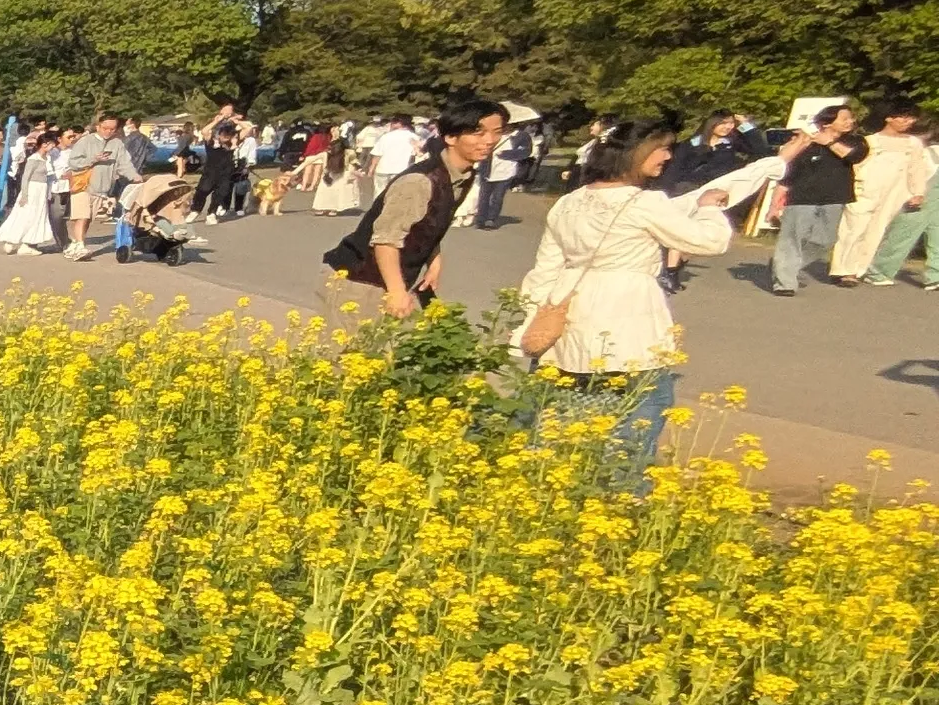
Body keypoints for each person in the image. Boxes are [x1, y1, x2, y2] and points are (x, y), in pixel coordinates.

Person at [510, 120, 777, 474]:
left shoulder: (569, 202)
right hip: (625, 308)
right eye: (661, 149)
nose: (668, 157)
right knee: (645, 400)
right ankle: (625, 482)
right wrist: (710, 207)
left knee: (560, 396)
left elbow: (545, 267)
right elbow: (708, 241)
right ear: (635, 154)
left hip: (568, 304)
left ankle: (542, 469)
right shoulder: (645, 202)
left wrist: (530, 320)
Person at [325, 95, 505, 317]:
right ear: (450, 137)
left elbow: (429, 223)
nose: (490, 140)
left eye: (497, 132)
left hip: (387, 280)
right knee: (355, 340)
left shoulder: (461, 175)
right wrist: (397, 291)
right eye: (478, 133)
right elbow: (385, 239)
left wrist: (434, 260)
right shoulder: (420, 181)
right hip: (359, 281)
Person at [767, 100, 865, 294]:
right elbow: (786, 176)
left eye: (851, 118)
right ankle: (785, 283)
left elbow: (853, 156)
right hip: (800, 198)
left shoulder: (855, 141)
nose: (850, 122)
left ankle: (784, 265)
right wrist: (774, 205)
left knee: (825, 241)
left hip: (834, 198)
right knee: (792, 239)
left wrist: (829, 142)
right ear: (826, 123)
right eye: (844, 118)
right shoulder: (806, 144)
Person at [832, 105, 924, 282]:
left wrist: (918, 192)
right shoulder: (869, 141)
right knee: (854, 229)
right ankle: (844, 269)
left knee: (876, 231)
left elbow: (917, 168)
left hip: (895, 191)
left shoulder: (913, 143)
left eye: (911, 118)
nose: (908, 121)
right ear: (889, 118)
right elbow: (855, 165)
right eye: (903, 117)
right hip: (864, 190)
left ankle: (859, 269)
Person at [853, 108, 938, 288]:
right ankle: (878, 270)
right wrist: (917, 192)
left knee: (935, 232)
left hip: (927, 186)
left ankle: (935, 275)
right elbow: (918, 169)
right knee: (906, 231)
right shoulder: (922, 147)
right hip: (923, 186)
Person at [57, 117, 140, 260]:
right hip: (83, 184)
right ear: (98, 127)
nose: (108, 131)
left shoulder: (117, 144)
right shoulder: (85, 141)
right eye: (105, 128)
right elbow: (74, 162)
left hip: (101, 188)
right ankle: (80, 246)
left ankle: (75, 244)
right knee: (82, 216)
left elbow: (124, 164)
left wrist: (134, 176)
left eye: (112, 129)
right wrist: (93, 159)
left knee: (88, 218)